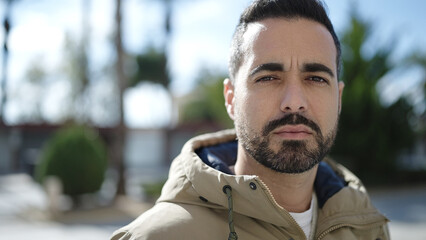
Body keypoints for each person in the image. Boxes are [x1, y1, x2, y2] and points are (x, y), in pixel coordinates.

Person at [111, 0, 390, 239]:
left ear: (338, 99)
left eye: (315, 78)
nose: (294, 101)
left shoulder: (367, 228)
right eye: (268, 77)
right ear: (231, 98)